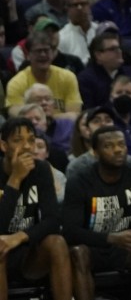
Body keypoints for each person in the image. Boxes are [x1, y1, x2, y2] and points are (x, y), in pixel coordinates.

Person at [63, 127, 131, 300]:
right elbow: (71, 231)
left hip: (127, 249)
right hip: (94, 248)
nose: (118, 149)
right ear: (95, 152)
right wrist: (112, 238)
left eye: (121, 144)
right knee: (78, 252)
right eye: (109, 146)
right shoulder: (79, 181)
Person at [0, 117, 72, 300]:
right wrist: (15, 179)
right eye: (18, 140)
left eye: (31, 140)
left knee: (57, 242)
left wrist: (18, 237)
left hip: (26, 251)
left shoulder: (41, 170)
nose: (26, 146)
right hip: (2, 249)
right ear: (3, 146)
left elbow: (53, 221)